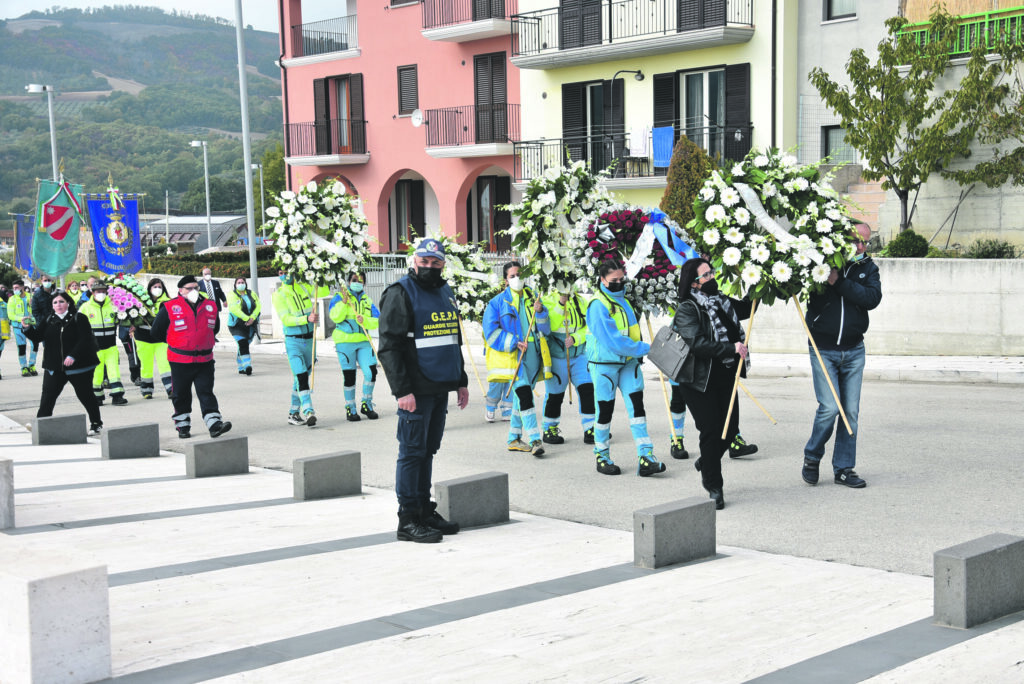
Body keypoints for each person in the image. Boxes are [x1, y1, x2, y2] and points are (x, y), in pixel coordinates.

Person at [377, 238, 468, 544]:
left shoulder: (444, 291)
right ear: (413, 261)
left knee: (428, 451)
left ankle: (424, 510)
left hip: (439, 385)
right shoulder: (400, 293)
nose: (429, 267)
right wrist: (402, 390)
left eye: (436, 262)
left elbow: (451, 338)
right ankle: (408, 519)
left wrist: (461, 380)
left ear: (443, 264)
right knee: (412, 453)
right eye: (424, 261)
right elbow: (389, 347)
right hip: (414, 390)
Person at [802, 221, 882, 489]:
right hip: (823, 348)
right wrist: (830, 277)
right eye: (855, 240)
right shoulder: (821, 262)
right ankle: (812, 456)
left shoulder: (868, 268)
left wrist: (840, 282)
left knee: (850, 412)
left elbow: (871, 298)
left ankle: (844, 468)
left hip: (854, 350)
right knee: (829, 408)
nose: (860, 246)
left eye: (865, 242)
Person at [670, 258, 752, 509]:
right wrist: (731, 347)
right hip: (698, 378)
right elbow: (697, 344)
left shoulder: (721, 301)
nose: (712, 277)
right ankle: (714, 485)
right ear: (694, 283)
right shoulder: (687, 309)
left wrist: (759, 284)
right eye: (706, 275)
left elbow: (747, 309)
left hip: (726, 372)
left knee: (730, 428)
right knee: (711, 430)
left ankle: (707, 461)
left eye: (712, 272)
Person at [586, 260, 666, 477]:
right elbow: (614, 342)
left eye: (622, 279)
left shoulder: (625, 302)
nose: (619, 283)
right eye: (614, 280)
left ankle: (646, 456)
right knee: (604, 411)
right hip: (605, 365)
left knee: (637, 408)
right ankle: (601, 455)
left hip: (628, 363)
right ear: (602, 280)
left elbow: (631, 333)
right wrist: (645, 348)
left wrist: (638, 351)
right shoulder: (597, 305)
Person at [482, 261, 551, 457]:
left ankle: (513, 439)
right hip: (514, 358)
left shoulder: (533, 298)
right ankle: (535, 439)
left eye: (519, 274)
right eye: (512, 276)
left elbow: (545, 329)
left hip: (533, 356)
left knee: (522, 399)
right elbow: (491, 333)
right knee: (525, 396)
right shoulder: (497, 303)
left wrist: (541, 312)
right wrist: (513, 342)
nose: (517, 279)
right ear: (506, 280)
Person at [150, 275, 231, 439]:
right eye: (189, 288)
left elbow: (213, 329)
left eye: (196, 287)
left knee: (205, 391)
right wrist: (177, 342)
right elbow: (156, 332)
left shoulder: (210, 305)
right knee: (181, 393)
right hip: (180, 360)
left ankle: (214, 424)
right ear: (181, 291)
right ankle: (182, 424)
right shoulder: (169, 306)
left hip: (205, 360)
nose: (193, 291)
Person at [22, 291, 103, 435]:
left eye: (61, 302)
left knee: (85, 395)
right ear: (52, 306)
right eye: (55, 303)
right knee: (48, 395)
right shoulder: (48, 319)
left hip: (79, 367)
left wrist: (73, 355)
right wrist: (27, 329)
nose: (58, 305)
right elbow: (38, 337)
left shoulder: (79, 318)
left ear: (68, 303)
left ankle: (96, 424)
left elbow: (85, 339)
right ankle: (41, 423)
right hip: (54, 366)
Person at [272, 270, 328, 427]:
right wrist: (306, 319)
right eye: (282, 272)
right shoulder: (279, 294)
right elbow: (286, 319)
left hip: (310, 340)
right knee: (302, 376)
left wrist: (320, 274)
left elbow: (324, 291)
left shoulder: (303, 286)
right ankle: (309, 410)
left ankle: (293, 412)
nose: (286, 275)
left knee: (300, 378)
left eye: (288, 271)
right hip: (293, 341)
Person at [541, 289, 596, 445]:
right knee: (555, 395)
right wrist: (560, 303)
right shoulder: (547, 300)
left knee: (587, 390)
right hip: (558, 356)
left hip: (579, 354)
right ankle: (549, 428)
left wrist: (576, 338)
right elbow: (549, 326)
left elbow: (589, 326)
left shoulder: (581, 301)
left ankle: (590, 428)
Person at [329, 272, 380, 421]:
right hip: (344, 342)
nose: (357, 282)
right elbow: (335, 317)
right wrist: (344, 303)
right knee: (350, 376)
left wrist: (364, 320)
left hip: (363, 341)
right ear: (348, 282)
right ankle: (350, 407)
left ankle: (367, 403)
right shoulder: (338, 298)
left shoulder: (367, 300)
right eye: (354, 280)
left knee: (371, 372)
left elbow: (378, 320)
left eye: (360, 280)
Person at [79, 282, 127, 406]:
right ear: (93, 292)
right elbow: (78, 326)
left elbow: (121, 319)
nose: (100, 293)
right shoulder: (85, 307)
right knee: (96, 373)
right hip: (94, 347)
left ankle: (117, 396)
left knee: (114, 372)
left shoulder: (113, 305)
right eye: (97, 291)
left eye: (102, 291)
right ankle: (97, 397)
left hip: (111, 345)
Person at [132, 278, 174, 399]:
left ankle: (171, 388)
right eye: (154, 287)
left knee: (165, 364)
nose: (157, 289)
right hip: (143, 338)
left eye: (159, 287)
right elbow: (133, 317)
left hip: (161, 339)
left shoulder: (167, 302)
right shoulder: (140, 302)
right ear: (149, 289)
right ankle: (146, 390)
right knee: (146, 365)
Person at [227, 277, 261, 376]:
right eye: (239, 282)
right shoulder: (232, 295)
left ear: (246, 283)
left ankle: (241, 367)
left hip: (251, 323)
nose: (241, 284)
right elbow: (234, 309)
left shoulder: (251, 293)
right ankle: (247, 366)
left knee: (244, 345)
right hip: (237, 324)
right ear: (235, 284)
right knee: (242, 343)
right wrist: (247, 318)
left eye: (242, 282)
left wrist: (253, 318)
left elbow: (258, 305)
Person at [7, 280, 38, 376]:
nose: (15, 290)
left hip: (30, 324)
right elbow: (11, 315)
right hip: (18, 326)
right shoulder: (12, 299)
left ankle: (32, 365)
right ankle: (24, 367)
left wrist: (32, 306)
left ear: (22, 287)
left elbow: (36, 312)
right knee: (21, 347)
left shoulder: (30, 297)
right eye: (14, 288)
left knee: (35, 345)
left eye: (17, 288)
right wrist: (21, 318)